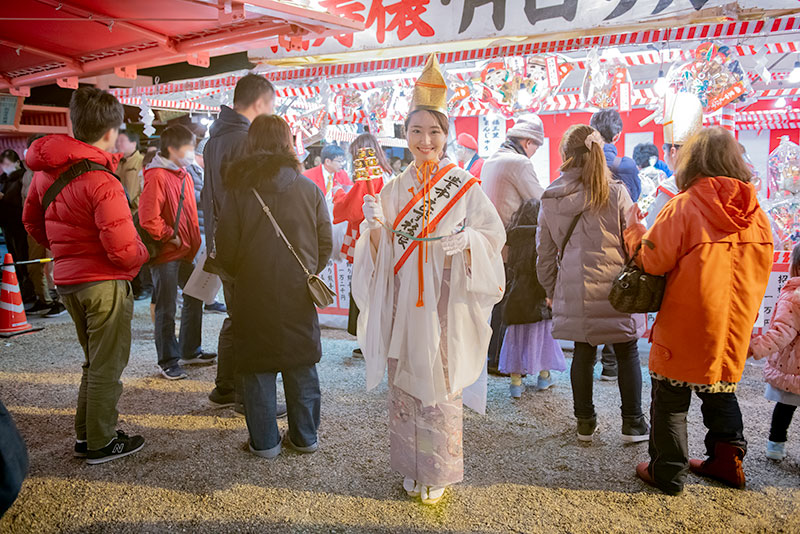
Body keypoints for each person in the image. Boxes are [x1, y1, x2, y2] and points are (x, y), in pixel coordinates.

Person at [353, 54, 505, 505]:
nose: (425, 140)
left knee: (439, 382)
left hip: (445, 296)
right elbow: (383, 257)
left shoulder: (463, 184)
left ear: (447, 135)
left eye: (434, 131)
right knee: (404, 382)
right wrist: (374, 228)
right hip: (404, 297)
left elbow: (493, 234)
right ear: (405, 134)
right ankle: (409, 465)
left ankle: (437, 469)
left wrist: (470, 243)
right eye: (417, 131)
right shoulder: (393, 187)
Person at [631, 127, 773, 495]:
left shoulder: (685, 205)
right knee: (720, 388)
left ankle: (668, 471)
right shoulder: (758, 214)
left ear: (693, 159)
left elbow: (653, 260)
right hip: (735, 321)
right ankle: (728, 462)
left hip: (687, 317)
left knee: (671, 398)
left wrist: (635, 235)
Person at [23, 86, 148, 464]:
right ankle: (102, 442)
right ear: (111, 132)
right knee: (107, 365)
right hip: (103, 283)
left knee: (94, 361)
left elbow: (32, 222)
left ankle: (87, 434)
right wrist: (141, 258)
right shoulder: (103, 180)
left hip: (68, 280)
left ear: (74, 123)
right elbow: (123, 249)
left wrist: (66, 251)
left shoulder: (46, 174)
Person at [215, 115, 332, 458]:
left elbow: (226, 248)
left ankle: (264, 443)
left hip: (252, 291)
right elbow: (325, 243)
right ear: (288, 143)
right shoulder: (309, 188)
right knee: (301, 364)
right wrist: (307, 271)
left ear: (251, 144)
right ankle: (305, 438)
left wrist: (246, 274)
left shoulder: (237, 190)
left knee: (256, 368)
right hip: (297, 292)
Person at [537, 124, 648, 444]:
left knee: (583, 354)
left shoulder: (552, 196)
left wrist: (551, 290)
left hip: (573, 290)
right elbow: (636, 242)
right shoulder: (616, 192)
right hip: (615, 289)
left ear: (566, 156)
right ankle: (633, 424)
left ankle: (585, 422)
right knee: (627, 351)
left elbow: (543, 254)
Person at [203, 73, 275, 410]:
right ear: (260, 103)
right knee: (254, 319)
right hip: (246, 247)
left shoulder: (215, 138)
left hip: (224, 243)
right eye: (271, 105)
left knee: (237, 315)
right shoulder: (245, 140)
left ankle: (226, 386)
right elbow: (255, 199)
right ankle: (250, 398)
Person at [139, 125, 216, 380]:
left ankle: (189, 349)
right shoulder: (157, 175)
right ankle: (168, 360)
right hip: (167, 252)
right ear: (173, 149)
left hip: (184, 250)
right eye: (189, 147)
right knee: (166, 306)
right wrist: (169, 237)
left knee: (195, 295)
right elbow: (148, 217)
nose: (192, 152)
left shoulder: (182, 173)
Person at [480, 114, 545, 374]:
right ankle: (500, 360)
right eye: (536, 147)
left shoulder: (491, 159)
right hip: (512, 244)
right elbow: (539, 199)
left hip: (490, 243)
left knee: (495, 302)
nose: (534, 153)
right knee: (507, 303)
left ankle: (490, 357)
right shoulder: (519, 163)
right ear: (528, 142)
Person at [499, 199, 566, 398]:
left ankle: (516, 384)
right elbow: (544, 267)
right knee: (542, 337)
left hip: (516, 295)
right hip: (536, 294)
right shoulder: (542, 235)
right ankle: (544, 377)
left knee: (515, 340)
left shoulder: (513, 236)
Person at [333, 133, 392, 357]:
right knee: (376, 287)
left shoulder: (367, 175)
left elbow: (353, 208)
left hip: (366, 238)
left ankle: (370, 340)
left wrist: (338, 193)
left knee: (365, 287)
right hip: (381, 236)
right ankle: (373, 338)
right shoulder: (384, 173)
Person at [750, 243, 800, 462]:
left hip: (793, 368)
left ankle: (775, 446)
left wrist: (753, 348)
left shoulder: (794, 297)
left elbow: (782, 332)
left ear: (795, 267)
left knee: (784, 408)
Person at [19, 134, 64, 317]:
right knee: (34, 265)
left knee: (55, 264)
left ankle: (61, 301)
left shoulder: (53, 168)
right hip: (34, 224)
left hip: (53, 222)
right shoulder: (28, 172)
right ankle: (43, 298)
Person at [644, 92, 703, 227]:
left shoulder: (671, 188)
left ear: (673, 151)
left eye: (664, 150)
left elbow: (652, 228)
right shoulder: (711, 180)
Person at [186, 137, 226, 315]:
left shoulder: (202, 170)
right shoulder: (190, 170)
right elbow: (192, 196)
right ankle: (201, 300)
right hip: (198, 225)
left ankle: (210, 299)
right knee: (199, 265)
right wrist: (209, 195)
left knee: (208, 263)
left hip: (206, 224)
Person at [115, 129, 152, 302]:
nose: (117, 145)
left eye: (121, 141)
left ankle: (145, 287)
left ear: (133, 143)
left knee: (140, 251)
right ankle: (134, 285)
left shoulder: (140, 161)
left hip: (136, 213)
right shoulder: (119, 163)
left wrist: (135, 204)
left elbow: (145, 188)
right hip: (121, 213)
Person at [0, 149, 35, 305]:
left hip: (20, 223)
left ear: (16, 163)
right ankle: (19, 289)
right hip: (7, 225)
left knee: (24, 257)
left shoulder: (23, 177)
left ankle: (30, 291)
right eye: (3, 164)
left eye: (8, 164)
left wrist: (4, 198)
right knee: (12, 257)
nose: (5, 167)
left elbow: (23, 201)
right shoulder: (3, 180)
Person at [590, 109, 641, 202]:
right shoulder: (627, 166)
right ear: (616, 136)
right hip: (616, 216)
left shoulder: (575, 164)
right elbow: (634, 197)